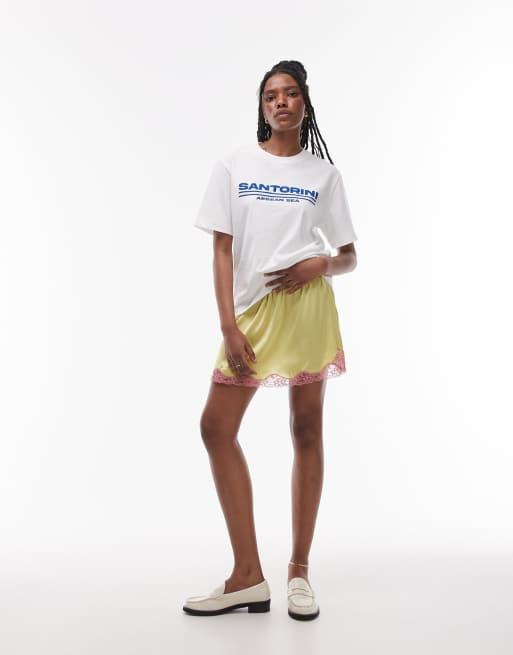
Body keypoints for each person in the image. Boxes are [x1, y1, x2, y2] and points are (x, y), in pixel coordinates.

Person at [182, 60, 358, 620]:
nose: (280, 102)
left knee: (305, 429)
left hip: (307, 308)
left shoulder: (324, 176)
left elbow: (349, 256)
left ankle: (298, 572)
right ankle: (247, 575)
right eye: (270, 96)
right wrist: (228, 326)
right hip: (252, 314)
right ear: (262, 107)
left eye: (290, 93)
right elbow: (221, 249)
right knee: (216, 427)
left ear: (304, 103)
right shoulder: (234, 165)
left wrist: (318, 265)